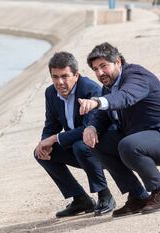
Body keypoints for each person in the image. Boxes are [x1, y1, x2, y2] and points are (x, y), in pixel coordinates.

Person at [78, 42, 160, 217]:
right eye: (95, 69)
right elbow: (103, 116)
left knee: (129, 144)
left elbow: (125, 97)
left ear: (118, 62)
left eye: (104, 66)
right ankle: (137, 196)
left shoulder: (136, 75)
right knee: (97, 142)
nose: (100, 73)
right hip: (149, 138)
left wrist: (97, 102)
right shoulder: (109, 86)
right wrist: (91, 127)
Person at [34, 51, 115, 218]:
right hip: (79, 149)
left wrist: (54, 138)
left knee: (81, 145)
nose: (60, 82)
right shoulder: (51, 93)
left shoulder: (90, 90)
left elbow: (89, 128)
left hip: (103, 149)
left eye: (64, 76)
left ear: (76, 75)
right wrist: (44, 143)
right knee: (40, 154)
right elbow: (51, 125)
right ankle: (80, 199)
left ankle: (105, 196)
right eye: (55, 77)